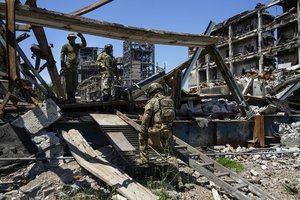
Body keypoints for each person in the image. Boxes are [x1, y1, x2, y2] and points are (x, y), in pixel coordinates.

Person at [138, 82, 183, 189]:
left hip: (155, 132)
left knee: (142, 140)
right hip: (167, 130)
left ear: (151, 91)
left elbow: (145, 121)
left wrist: (143, 134)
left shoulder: (152, 102)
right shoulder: (169, 100)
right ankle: (178, 180)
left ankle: (145, 166)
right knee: (169, 154)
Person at [60, 32, 86, 103]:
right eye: (71, 38)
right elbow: (62, 55)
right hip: (68, 66)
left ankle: (73, 97)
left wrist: (81, 37)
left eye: (73, 38)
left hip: (75, 66)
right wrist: (63, 65)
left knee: (75, 82)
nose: (72, 39)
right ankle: (69, 97)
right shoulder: (65, 46)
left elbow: (84, 44)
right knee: (69, 82)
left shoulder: (77, 45)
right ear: (69, 39)